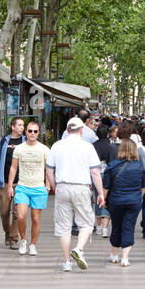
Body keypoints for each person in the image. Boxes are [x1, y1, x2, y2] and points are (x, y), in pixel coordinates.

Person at [46, 116, 105, 271]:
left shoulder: (57, 146)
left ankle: (66, 262)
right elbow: (95, 172)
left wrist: (54, 187)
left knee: (63, 226)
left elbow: (49, 171)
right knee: (86, 222)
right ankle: (78, 249)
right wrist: (101, 193)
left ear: (67, 130)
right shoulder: (88, 147)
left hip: (62, 187)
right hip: (82, 188)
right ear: (81, 130)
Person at [7, 121, 49, 255]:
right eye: (30, 131)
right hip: (22, 186)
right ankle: (24, 239)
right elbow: (13, 167)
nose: (32, 133)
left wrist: (47, 186)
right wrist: (10, 185)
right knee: (21, 216)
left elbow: (48, 169)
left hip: (38, 188)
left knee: (36, 219)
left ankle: (33, 244)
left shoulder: (44, 149)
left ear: (38, 133)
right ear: (26, 132)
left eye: (35, 131)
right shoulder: (19, 148)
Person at [104, 138, 144, 266]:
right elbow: (143, 186)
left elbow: (106, 186)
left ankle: (115, 255)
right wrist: (138, 198)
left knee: (116, 226)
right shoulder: (139, 166)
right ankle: (125, 258)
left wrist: (103, 199)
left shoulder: (112, 165)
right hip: (133, 201)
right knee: (128, 227)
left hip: (116, 201)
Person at [0, 118, 26, 248]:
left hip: (20, 182)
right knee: (4, 212)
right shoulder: (4, 141)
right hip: (5, 182)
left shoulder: (25, 141)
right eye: (19, 125)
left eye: (23, 125)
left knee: (17, 213)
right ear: (13, 127)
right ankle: (7, 232)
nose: (22, 127)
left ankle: (14, 238)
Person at [92, 123, 116, 238]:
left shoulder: (92, 146)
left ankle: (99, 227)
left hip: (95, 174)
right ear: (107, 134)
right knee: (107, 198)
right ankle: (106, 228)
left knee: (97, 198)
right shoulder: (111, 145)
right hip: (108, 174)